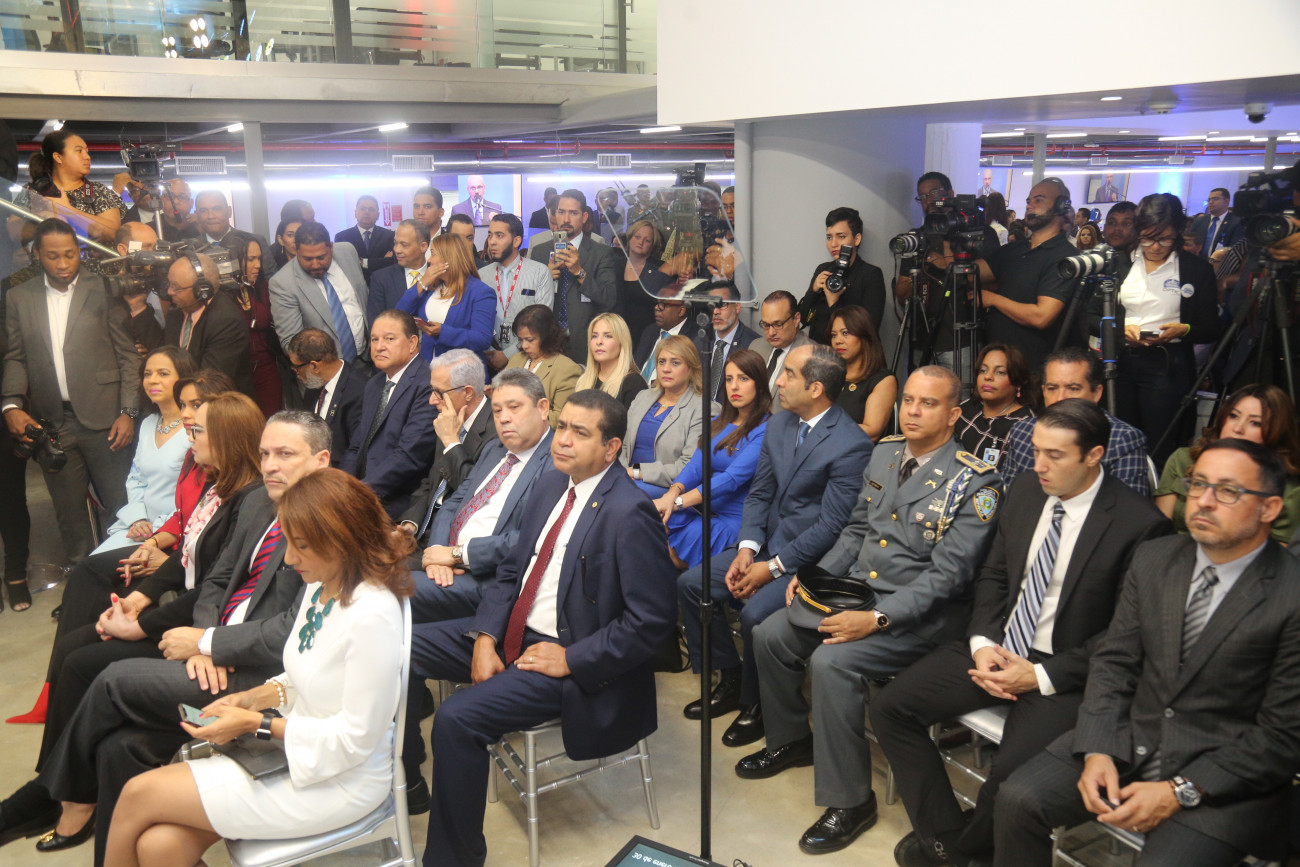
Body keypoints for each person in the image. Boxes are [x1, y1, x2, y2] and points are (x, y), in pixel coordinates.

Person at [0, 411, 330, 863]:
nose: (271, 465)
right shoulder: (260, 502)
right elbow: (217, 580)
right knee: (119, 747)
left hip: (261, 678)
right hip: (215, 649)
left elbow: (291, 631)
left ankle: (55, 798)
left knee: (112, 680)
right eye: (265, 454)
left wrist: (209, 645)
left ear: (321, 460)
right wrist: (203, 635)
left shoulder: (328, 519)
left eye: (285, 454)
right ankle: (68, 805)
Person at [872, 399, 1170, 867]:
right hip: (999, 644)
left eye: (1055, 455)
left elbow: (1124, 636)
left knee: (1010, 776)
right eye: (1036, 451)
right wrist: (983, 643)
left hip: (1064, 672)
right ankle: (948, 839)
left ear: (1094, 455)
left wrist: (1040, 676)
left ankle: (963, 850)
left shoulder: (1140, 526)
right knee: (890, 708)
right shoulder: (1029, 489)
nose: (1039, 465)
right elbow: (995, 574)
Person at [995, 439, 1300, 867]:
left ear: (1269, 508)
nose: (1204, 501)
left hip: (1224, 773)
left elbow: (1282, 735)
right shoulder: (1156, 558)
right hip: (1130, 736)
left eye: (1228, 491)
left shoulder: (1290, 594)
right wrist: (1097, 749)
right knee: (1017, 799)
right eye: (1198, 484)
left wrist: (1181, 789)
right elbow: (1114, 662)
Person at [738, 366, 1002, 855]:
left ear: (953, 415)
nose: (913, 411)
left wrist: (878, 619)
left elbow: (948, 577)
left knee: (832, 662)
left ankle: (851, 801)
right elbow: (856, 531)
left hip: (918, 618)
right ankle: (793, 740)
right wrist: (815, 577)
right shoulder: (885, 453)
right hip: (857, 594)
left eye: (928, 403)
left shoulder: (976, 482)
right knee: (770, 634)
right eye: (909, 400)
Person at [408, 389, 677, 867]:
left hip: (568, 656)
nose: (563, 440)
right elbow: (512, 570)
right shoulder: (553, 483)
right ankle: (405, 777)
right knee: (397, 645)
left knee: (456, 718)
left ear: (611, 448)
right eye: (563, 426)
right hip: (512, 632)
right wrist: (485, 636)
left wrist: (571, 658)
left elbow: (651, 623)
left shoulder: (629, 511)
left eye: (580, 433)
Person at [102, 468, 413, 867]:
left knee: (137, 793)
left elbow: (355, 741)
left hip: (341, 779)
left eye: (301, 546)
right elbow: (309, 670)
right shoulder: (323, 583)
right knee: (160, 847)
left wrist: (257, 724)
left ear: (341, 540)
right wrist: (252, 699)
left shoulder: (373, 615)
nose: (290, 558)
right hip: (298, 754)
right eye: (289, 542)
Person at [678, 344, 872, 747]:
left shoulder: (851, 444)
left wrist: (773, 568)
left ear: (815, 388)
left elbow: (832, 526)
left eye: (789, 374)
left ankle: (757, 706)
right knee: (692, 585)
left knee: (755, 616)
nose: (778, 381)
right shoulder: (781, 424)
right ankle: (730, 676)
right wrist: (747, 549)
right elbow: (760, 493)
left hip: (807, 561)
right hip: (763, 544)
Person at [3, 219, 138, 564]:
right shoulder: (19, 297)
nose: (63, 264)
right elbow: (16, 357)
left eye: (70, 254)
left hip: (107, 419)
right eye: (53, 256)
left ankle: (129, 578)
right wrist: (11, 405)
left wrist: (128, 411)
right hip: (52, 422)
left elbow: (127, 356)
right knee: (69, 514)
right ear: (36, 254)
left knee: (122, 505)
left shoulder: (104, 289)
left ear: (80, 252)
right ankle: (83, 580)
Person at [410, 367, 556, 625]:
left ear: (542, 408)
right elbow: (455, 502)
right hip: (447, 563)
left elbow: (531, 539)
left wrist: (457, 554)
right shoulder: (495, 449)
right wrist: (437, 552)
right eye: (497, 410)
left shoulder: (557, 464)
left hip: (490, 580)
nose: (504, 418)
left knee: (383, 587)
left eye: (514, 407)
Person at [1112, 193, 1220, 468]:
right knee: (1121, 438)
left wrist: (1184, 329)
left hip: (1167, 366)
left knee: (1161, 443)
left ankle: (1160, 490)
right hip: (1122, 361)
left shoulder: (1195, 270)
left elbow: (1211, 327)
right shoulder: (1121, 262)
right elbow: (1093, 314)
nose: (1155, 247)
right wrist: (1120, 328)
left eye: (1165, 239)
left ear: (1179, 233)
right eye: (1148, 238)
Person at [653, 348, 772, 570]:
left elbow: (731, 479)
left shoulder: (766, 428)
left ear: (760, 384)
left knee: (665, 545)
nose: (734, 386)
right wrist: (672, 493)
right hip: (702, 509)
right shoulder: (718, 422)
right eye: (729, 379)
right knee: (651, 514)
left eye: (743, 379)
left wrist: (677, 503)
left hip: (734, 520)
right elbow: (696, 466)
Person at [1156, 385, 1300, 543]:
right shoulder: (1184, 459)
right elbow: (1161, 531)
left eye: (1255, 423)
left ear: (1276, 432)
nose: (1237, 428)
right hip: (1174, 552)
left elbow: (1278, 554)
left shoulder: (1290, 490)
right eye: (1233, 416)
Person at [1000, 347, 1151, 495]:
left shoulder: (1121, 439)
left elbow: (1127, 507)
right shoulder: (1022, 431)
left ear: (1096, 393)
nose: (1060, 398)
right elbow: (1007, 501)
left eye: (1073, 388)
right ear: (1043, 391)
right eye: (1052, 388)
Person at [92, 347, 196, 558]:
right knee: (91, 565)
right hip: (141, 526)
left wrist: (156, 530)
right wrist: (138, 520)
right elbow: (136, 479)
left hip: (176, 531)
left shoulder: (194, 428)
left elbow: (198, 495)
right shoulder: (148, 423)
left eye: (163, 374)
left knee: (98, 570)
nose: (152, 380)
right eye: (147, 374)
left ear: (184, 379)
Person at [342, 311, 438, 518]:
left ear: (412, 343)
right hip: (362, 491)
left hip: (399, 498)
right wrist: (343, 487)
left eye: (389, 339)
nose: (379, 347)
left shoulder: (428, 383)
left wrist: (359, 494)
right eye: (374, 339)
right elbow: (356, 446)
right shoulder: (374, 384)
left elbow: (410, 456)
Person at [397, 349, 498, 545]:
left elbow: (475, 495)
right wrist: (411, 524)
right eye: (431, 390)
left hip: (455, 537)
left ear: (468, 393)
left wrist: (451, 442)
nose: (431, 400)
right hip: (424, 529)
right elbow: (432, 481)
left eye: (439, 393)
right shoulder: (448, 419)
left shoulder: (497, 431)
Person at [977, 177, 1078, 371]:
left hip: (1033, 369)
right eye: (1028, 201)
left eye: (1039, 200)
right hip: (999, 365)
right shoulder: (1014, 250)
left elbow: (1042, 316)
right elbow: (970, 273)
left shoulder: (1065, 257)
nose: (1030, 205)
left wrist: (993, 299)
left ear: (1060, 206)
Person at [529, 189, 618, 363]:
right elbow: (528, 301)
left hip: (584, 344)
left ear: (584, 217)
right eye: (561, 212)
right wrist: (544, 278)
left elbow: (608, 299)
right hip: (547, 342)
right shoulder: (540, 252)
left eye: (573, 213)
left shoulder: (601, 253)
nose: (566, 219)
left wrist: (579, 272)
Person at [268, 221, 369, 364]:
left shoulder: (348, 251)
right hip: (326, 369)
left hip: (367, 358)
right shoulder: (283, 283)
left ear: (331, 248)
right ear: (297, 252)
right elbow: (291, 344)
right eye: (307, 259)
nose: (315, 265)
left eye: (321, 257)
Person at [622, 334, 709, 500]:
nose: (666, 369)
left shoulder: (703, 408)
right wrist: (620, 474)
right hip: (626, 480)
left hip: (667, 488)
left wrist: (635, 472)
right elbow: (623, 447)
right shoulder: (642, 397)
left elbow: (688, 466)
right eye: (662, 362)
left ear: (691, 368)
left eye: (675, 363)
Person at [163, 251, 256, 400]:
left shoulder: (226, 321)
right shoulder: (176, 311)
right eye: (169, 284)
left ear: (202, 290)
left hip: (217, 406)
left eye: (176, 287)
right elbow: (165, 356)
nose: (169, 292)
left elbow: (207, 382)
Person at [6, 129, 125, 246]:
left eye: (87, 151)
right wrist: (45, 219)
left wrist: (66, 210)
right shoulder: (34, 190)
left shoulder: (98, 190)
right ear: (58, 157)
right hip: (46, 258)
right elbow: (13, 231)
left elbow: (112, 232)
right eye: (79, 151)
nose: (87, 157)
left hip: (95, 259)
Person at [397, 232, 495, 369]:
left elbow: (482, 339)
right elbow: (399, 315)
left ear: (449, 258)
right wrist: (422, 282)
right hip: (427, 370)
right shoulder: (431, 287)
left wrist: (442, 331)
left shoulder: (480, 292)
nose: (429, 260)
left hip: (461, 372)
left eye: (433, 254)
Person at [218, 233, 283, 417]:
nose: (258, 265)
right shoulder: (218, 295)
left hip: (266, 369)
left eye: (259, 258)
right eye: (251, 259)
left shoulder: (262, 287)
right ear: (233, 260)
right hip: (234, 374)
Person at [799, 206, 887, 340]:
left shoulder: (871, 275)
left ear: (857, 239)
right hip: (819, 349)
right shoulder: (823, 269)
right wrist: (813, 291)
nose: (833, 244)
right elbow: (803, 319)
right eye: (829, 237)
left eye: (841, 236)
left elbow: (869, 329)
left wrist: (833, 303)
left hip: (853, 352)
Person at [287, 328, 371, 467]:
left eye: (296, 367)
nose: (296, 373)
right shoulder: (313, 387)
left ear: (314, 366)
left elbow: (356, 452)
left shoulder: (360, 392)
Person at [479, 214, 553, 369]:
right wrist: (490, 352)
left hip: (527, 359)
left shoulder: (539, 272)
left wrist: (507, 355)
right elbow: (476, 320)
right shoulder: (481, 275)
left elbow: (542, 322)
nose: (492, 241)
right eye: (490, 235)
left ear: (516, 241)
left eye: (499, 236)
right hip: (487, 358)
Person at [955, 343, 1036, 468]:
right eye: (983, 370)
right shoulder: (966, 407)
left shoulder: (1025, 427)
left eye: (1000, 372)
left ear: (1017, 382)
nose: (988, 377)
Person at [504, 304, 581, 428]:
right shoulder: (516, 359)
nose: (524, 346)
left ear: (547, 337)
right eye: (521, 340)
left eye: (530, 340)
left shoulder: (567, 369)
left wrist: (525, 412)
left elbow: (563, 418)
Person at [829, 304, 897, 441]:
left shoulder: (883, 380)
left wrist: (822, 430)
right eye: (834, 335)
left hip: (858, 450)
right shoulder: (829, 374)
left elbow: (871, 432)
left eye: (845, 333)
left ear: (864, 336)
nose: (838, 341)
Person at [698, 282, 760, 405]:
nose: (715, 311)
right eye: (711, 305)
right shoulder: (700, 339)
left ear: (737, 307)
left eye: (721, 305)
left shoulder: (753, 345)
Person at [749, 290, 812, 406]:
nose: (771, 332)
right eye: (766, 325)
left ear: (796, 319)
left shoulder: (812, 356)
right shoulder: (756, 346)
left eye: (778, 324)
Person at [574, 312, 648, 409]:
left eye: (608, 336)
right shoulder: (584, 381)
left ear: (622, 342)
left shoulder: (633, 383)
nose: (599, 342)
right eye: (594, 336)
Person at [633, 290, 707, 386]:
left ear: (681, 311)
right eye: (657, 303)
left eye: (663, 304)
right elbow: (635, 367)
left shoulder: (695, 338)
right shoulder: (650, 331)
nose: (656, 308)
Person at [614, 218, 666, 344]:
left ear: (652, 245)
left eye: (647, 240)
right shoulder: (615, 265)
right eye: (637, 237)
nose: (641, 242)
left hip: (648, 336)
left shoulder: (661, 269)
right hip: (618, 333)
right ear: (630, 238)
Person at [368, 218, 430, 325]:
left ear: (423, 247)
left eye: (404, 245)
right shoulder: (381, 279)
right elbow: (376, 325)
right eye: (395, 243)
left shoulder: (440, 275)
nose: (396, 250)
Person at [334, 194, 394, 283]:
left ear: (378, 215)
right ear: (355, 213)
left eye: (371, 209)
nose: (367, 212)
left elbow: (391, 262)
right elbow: (345, 266)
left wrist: (361, 262)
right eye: (363, 209)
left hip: (383, 283)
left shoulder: (389, 236)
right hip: (355, 284)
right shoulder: (342, 237)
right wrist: (382, 261)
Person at [267, 200, 314, 270]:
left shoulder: (317, 250)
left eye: (313, 218)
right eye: (309, 221)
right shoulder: (269, 260)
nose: (315, 223)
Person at [1200, 187, 1243, 256]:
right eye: (1209, 200)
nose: (1210, 202)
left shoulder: (1236, 222)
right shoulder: (1200, 221)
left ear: (1227, 201)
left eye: (1215, 199)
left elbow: (1235, 248)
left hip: (1222, 261)